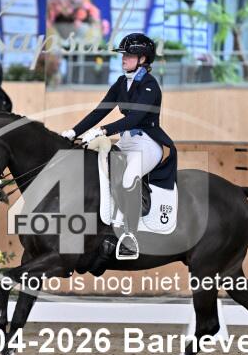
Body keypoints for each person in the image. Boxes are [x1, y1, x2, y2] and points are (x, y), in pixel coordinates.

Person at [61, 33, 176, 260]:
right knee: (99, 173)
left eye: (129, 55)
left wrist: (103, 131)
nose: (123, 59)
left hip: (147, 144)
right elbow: (100, 111)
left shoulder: (150, 85)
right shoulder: (121, 83)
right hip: (125, 142)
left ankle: (129, 237)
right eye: (123, 55)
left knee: (128, 178)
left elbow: (134, 118)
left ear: (143, 59)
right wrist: (73, 132)